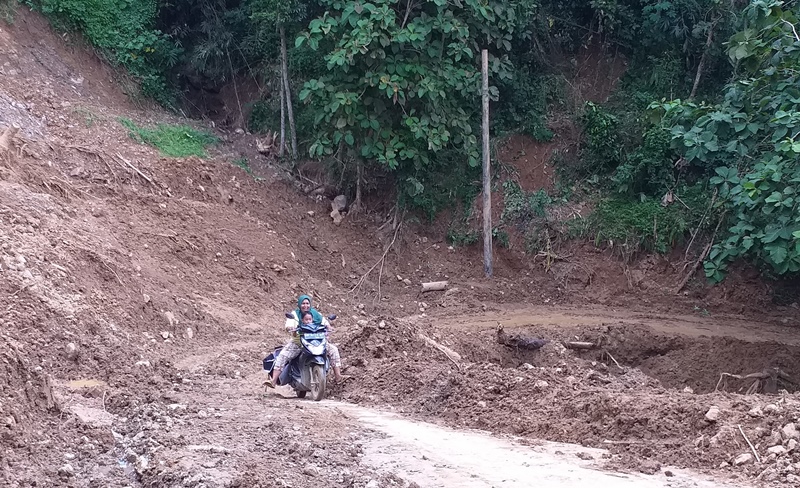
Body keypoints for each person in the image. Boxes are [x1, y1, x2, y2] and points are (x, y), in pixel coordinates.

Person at [268, 296, 343, 386]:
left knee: (334, 350)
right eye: (303, 303)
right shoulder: (295, 315)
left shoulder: (316, 314)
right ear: (299, 304)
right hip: (299, 343)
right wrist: (291, 328)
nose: (305, 305)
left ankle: (338, 376)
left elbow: (325, 322)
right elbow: (289, 324)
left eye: (307, 303)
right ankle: (273, 381)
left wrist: (329, 327)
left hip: (317, 342)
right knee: (283, 356)